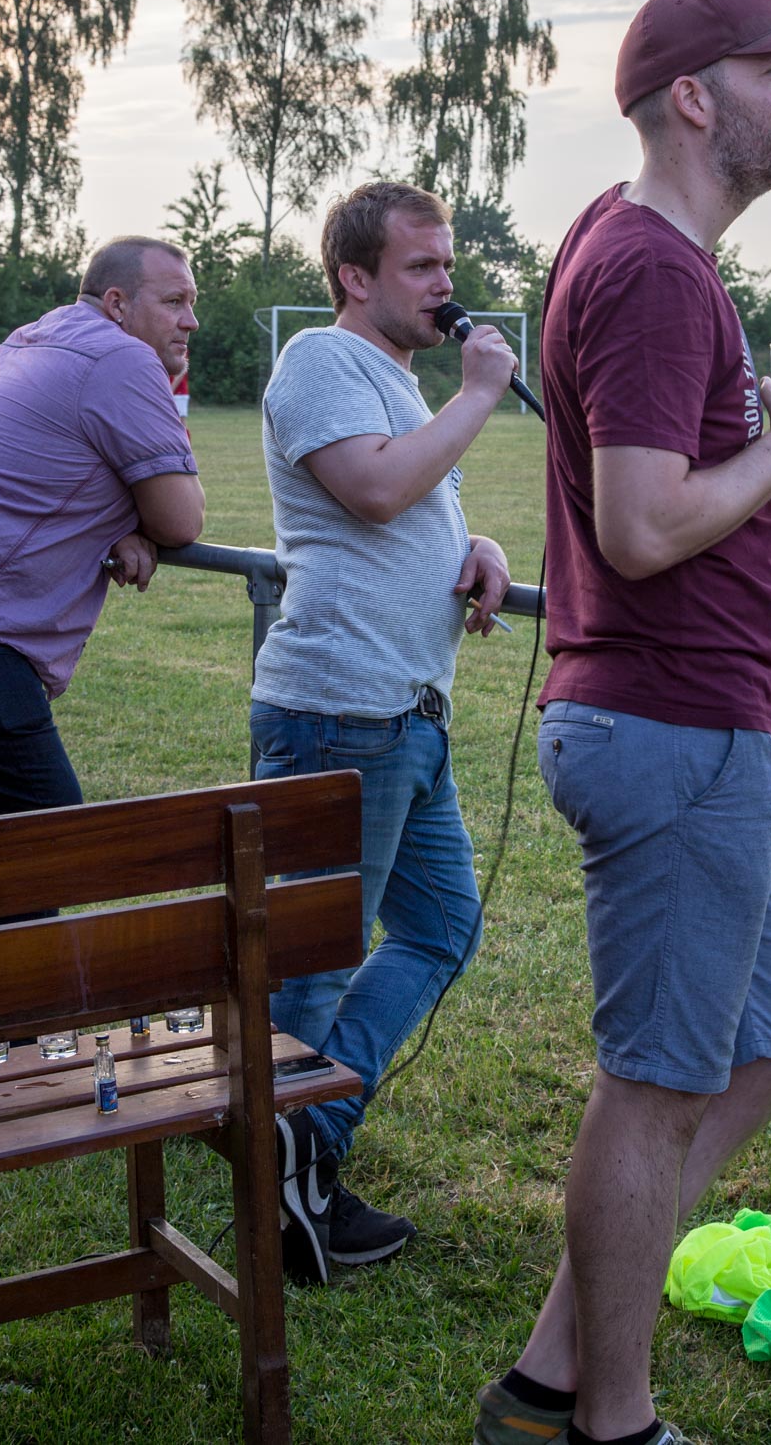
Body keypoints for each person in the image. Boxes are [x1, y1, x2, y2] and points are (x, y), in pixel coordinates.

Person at [473, 0, 771, 1445]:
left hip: (701, 713)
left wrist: (764, 561)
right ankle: (611, 1424)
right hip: (671, 727)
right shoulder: (649, 268)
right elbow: (639, 527)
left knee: (759, 1061)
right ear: (695, 98)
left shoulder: (632, 243)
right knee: (652, 1088)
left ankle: (548, 1381)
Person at [251, 180, 518, 1285]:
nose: (445, 284)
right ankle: (287, 1191)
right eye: (422, 266)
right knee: (312, 969)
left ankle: (300, 1140)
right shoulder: (319, 357)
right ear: (355, 278)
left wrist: (478, 543)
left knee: (444, 927)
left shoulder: (396, 380)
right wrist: (482, 392)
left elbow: (408, 500)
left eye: (446, 263)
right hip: (338, 712)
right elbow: (368, 492)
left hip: (405, 715)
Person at [0, 235, 205, 833]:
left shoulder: (28, 338)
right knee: (49, 853)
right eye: (174, 302)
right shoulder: (125, 357)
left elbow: (32, 466)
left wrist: (117, 521)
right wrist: (132, 520)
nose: (192, 321)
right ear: (117, 303)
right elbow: (181, 519)